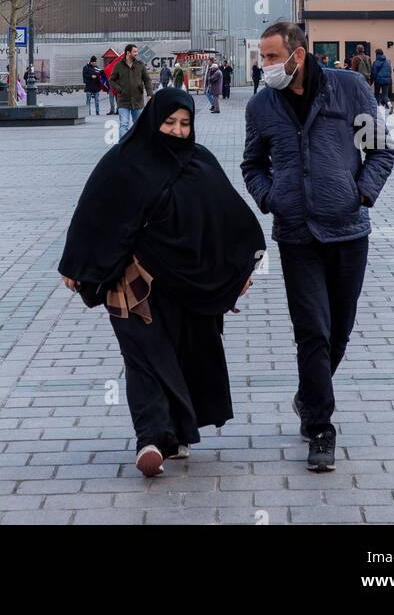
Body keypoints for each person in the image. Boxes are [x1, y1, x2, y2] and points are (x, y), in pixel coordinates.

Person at [59, 87, 265, 477]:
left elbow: (230, 221)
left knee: (185, 356)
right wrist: (78, 265)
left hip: (188, 286)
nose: (176, 131)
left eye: (185, 124)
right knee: (143, 360)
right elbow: (92, 214)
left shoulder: (200, 162)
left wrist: (239, 272)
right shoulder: (124, 162)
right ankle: (150, 439)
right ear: (154, 119)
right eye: (169, 122)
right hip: (133, 282)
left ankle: (176, 434)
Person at [242, 23, 394, 473]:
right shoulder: (261, 105)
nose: (266, 65)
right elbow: (252, 164)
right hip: (296, 235)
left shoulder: (348, 89)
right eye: (263, 58)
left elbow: (382, 150)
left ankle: (309, 394)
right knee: (312, 330)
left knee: (339, 333)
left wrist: (361, 193)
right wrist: (271, 199)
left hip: (349, 229)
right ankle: (321, 428)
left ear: (299, 55)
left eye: (272, 57)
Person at [110, 44, 153, 141]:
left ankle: (139, 145)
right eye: (135, 52)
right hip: (123, 101)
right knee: (124, 124)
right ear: (128, 53)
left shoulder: (140, 64)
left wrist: (150, 94)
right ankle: (122, 147)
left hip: (138, 101)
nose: (136, 54)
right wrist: (120, 89)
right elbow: (111, 80)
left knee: (138, 124)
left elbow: (147, 80)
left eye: (137, 52)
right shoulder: (118, 65)